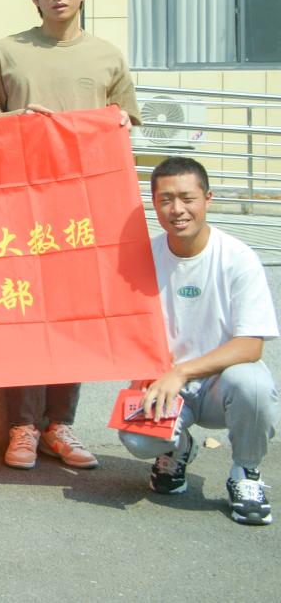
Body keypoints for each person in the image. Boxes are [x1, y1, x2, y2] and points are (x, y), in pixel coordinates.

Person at [0, 0, 144, 472]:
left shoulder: (107, 56)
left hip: (82, 211)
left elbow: (124, 124)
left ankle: (60, 424)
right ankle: (23, 425)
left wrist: (115, 125)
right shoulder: (7, 51)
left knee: (74, 316)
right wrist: (17, 121)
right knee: (24, 313)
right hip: (20, 206)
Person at [122, 159, 276, 527]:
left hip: (221, 384)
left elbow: (251, 346)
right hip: (167, 385)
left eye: (187, 198)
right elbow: (126, 325)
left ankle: (246, 473)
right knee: (137, 440)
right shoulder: (143, 257)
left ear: (208, 198)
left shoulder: (238, 258)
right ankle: (178, 450)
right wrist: (145, 370)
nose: (177, 209)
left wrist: (182, 372)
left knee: (253, 383)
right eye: (166, 200)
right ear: (154, 204)